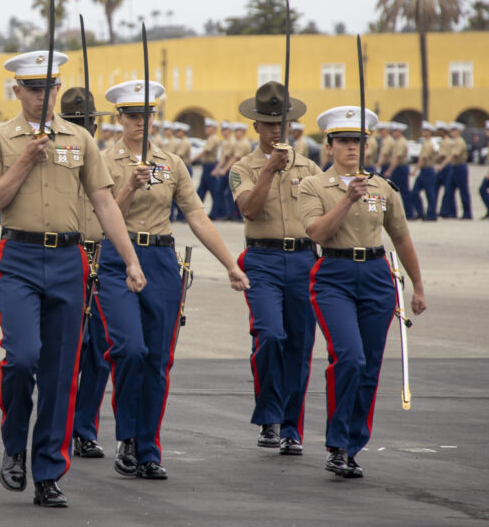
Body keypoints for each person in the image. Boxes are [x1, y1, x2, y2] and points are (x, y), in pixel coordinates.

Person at [0, 51, 146, 508]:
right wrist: (25, 160)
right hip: (19, 257)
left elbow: (105, 203)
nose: (42, 96)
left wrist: (129, 259)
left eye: (49, 88)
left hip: (69, 259)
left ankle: (48, 470)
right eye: (32, 88)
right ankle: (15, 444)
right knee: (21, 357)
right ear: (17, 91)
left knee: (59, 373)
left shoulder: (80, 139)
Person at [97, 79, 249, 482]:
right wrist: (130, 183)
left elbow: (197, 216)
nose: (140, 122)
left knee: (157, 360)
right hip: (117, 258)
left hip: (162, 259)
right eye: (132, 115)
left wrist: (230, 263)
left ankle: (148, 448)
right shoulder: (104, 162)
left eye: (146, 115)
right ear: (119, 118)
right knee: (129, 348)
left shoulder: (172, 163)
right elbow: (102, 218)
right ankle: (126, 436)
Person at [299, 105, 427, 479]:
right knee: (349, 357)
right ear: (329, 146)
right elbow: (317, 234)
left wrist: (417, 285)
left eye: (357, 141)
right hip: (334, 275)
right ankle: (336, 443)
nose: (351, 148)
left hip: (375, 274)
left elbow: (401, 237)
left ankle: (352, 445)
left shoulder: (382, 186)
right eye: (343, 141)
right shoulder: (313, 186)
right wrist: (347, 198)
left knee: (369, 366)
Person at [230, 82, 321, 453]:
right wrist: (269, 170)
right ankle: (269, 414)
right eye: (268, 124)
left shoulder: (311, 168)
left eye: (281, 123)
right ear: (256, 127)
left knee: (299, 345)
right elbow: (249, 209)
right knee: (270, 335)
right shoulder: (243, 168)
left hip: (303, 258)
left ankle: (291, 427)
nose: (275, 130)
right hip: (263, 259)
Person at [56, 87, 111, 461]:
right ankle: (59, 426)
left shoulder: (106, 163)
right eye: (76, 123)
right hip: (68, 256)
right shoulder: (56, 160)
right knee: (67, 352)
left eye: (88, 122)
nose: (84, 128)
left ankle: (85, 429)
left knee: (100, 351)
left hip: (102, 257)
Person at [442, 122, 472, 219]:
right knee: (449, 189)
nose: (452, 132)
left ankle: (467, 213)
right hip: (454, 167)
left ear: (458, 131)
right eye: (452, 130)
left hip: (460, 167)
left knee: (463, 191)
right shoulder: (454, 142)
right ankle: (450, 212)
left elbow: (453, 155)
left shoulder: (459, 142)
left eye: (454, 130)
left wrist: (442, 165)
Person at [410, 121, 438, 221]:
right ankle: (420, 212)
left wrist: (414, 169)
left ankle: (431, 214)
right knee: (414, 193)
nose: (423, 132)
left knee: (430, 193)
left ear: (430, 132)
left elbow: (423, 159)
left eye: (425, 130)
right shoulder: (425, 143)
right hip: (424, 171)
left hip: (428, 171)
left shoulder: (429, 144)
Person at [193, 118, 220, 214]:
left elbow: (205, 151)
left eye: (208, 127)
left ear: (214, 128)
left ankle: (216, 211)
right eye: (206, 127)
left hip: (210, 166)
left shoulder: (213, 138)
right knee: (202, 189)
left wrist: (193, 159)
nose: (206, 129)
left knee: (213, 190)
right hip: (207, 166)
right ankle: (196, 210)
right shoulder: (210, 138)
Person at [387, 123, 413, 218]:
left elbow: (398, 158)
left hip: (400, 168)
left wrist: (389, 170)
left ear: (400, 132)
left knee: (404, 191)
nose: (393, 133)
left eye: (395, 131)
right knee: (393, 191)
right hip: (399, 168)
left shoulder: (401, 142)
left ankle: (409, 213)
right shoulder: (398, 141)